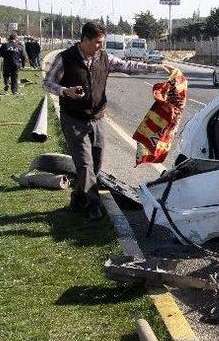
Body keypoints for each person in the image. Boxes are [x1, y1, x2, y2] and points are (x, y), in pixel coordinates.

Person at [43, 22, 173, 220]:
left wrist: (157, 68)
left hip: (97, 118)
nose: (100, 46)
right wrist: (65, 91)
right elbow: (48, 82)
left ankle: (78, 198)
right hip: (73, 119)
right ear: (84, 40)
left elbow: (129, 66)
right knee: (85, 164)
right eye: (97, 42)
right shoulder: (65, 58)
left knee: (95, 163)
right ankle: (93, 207)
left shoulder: (103, 58)